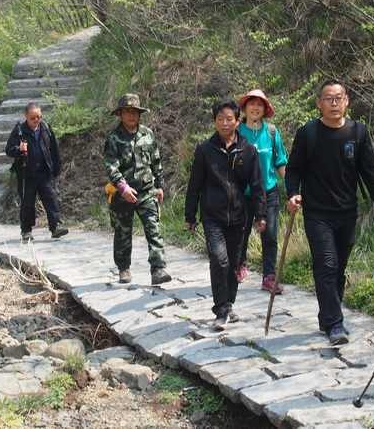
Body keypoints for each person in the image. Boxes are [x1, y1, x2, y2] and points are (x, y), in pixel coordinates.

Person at [285, 79, 374, 345]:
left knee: (339, 267)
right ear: (319, 103)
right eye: (328, 98)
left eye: (338, 98)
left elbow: (370, 170)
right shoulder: (308, 133)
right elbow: (294, 168)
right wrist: (293, 193)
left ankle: (328, 316)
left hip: (347, 212)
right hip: (317, 212)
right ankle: (335, 323)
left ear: (347, 101)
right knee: (327, 264)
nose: (334, 103)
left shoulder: (358, 132)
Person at [185, 99, 266, 330]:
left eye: (229, 118)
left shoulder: (248, 150)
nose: (224, 123)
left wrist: (261, 214)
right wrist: (190, 216)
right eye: (220, 119)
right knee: (219, 259)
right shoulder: (205, 150)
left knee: (234, 262)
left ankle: (229, 304)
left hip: (240, 216)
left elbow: (257, 185)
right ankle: (220, 309)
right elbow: (195, 185)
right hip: (212, 216)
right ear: (214, 122)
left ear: (237, 120)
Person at [103, 93, 172, 285]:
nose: (131, 116)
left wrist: (159, 186)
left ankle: (158, 269)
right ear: (120, 115)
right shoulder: (114, 138)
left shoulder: (147, 134)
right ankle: (123, 268)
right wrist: (122, 186)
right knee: (123, 232)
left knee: (153, 228)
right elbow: (111, 166)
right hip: (123, 194)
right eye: (127, 112)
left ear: (139, 114)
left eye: (134, 112)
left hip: (147, 191)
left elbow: (156, 161)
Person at [235, 89, 288, 294]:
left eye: (260, 104)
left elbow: (281, 162)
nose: (256, 107)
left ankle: (269, 277)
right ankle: (239, 265)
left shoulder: (272, 132)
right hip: (243, 193)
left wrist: (293, 189)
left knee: (271, 234)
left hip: (269, 192)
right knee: (241, 233)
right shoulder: (237, 130)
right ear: (245, 108)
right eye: (252, 104)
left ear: (265, 109)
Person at [5, 102, 68, 241]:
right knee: (27, 203)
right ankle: (26, 231)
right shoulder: (19, 130)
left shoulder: (45, 128)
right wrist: (19, 150)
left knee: (51, 199)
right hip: (26, 173)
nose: (36, 120)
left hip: (44, 171)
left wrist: (56, 167)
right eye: (33, 118)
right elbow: (8, 150)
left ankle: (56, 226)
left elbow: (54, 149)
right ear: (26, 116)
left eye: (39, 117)